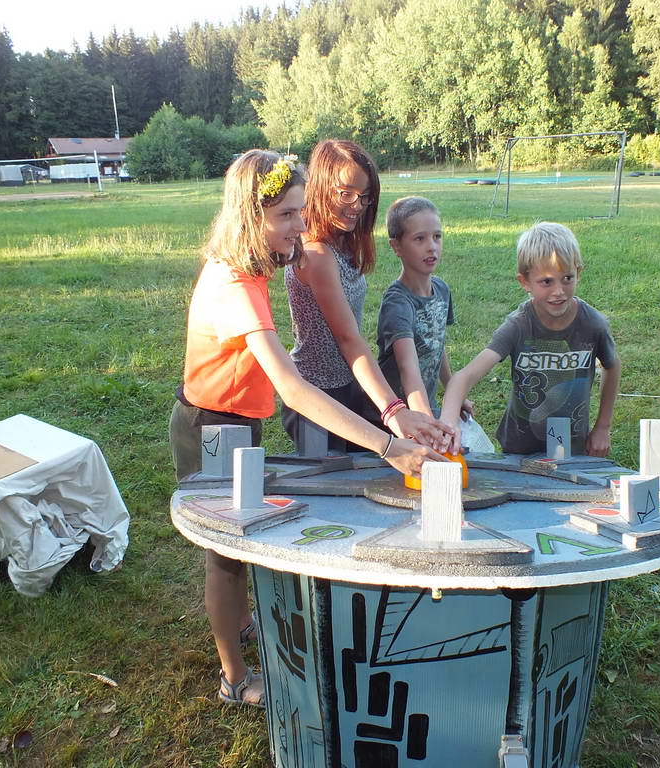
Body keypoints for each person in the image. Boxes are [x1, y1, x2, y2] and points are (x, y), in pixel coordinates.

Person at [170, 150, 445, 708]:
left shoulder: (248, 268)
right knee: (225, 555)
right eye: (287, 215)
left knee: (237, 547)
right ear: (252, 216)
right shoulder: (236, 285)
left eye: (300, 211)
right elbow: (294, 389)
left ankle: (241, 624)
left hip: (236, 422)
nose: (301, 225)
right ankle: (234, 677)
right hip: (213, 428)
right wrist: (388, 445)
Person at [282, 140, 452, 453]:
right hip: (317, 397)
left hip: (351, 387)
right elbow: (348, 338)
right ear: (321, 187)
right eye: (346, 193)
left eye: (364, 196)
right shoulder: (317, 254)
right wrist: (394, 410)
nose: (357, 205)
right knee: (332, 480)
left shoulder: (342, 243)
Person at [440, 222, 621, 457]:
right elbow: (464, 376)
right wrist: (448, 422)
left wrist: (603, 426)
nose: (559, 291)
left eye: (567, 278)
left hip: (573, 446)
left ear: (579, 273)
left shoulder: (593, 324)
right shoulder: (518, 325)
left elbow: (612, 365)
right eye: (547, 281)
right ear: (524, 282)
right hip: (520, 447)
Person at [376, 196, 472, 421]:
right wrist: (427, 424)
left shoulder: (442, 290)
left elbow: (436, 345)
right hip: (396, 416)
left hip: (424, 408)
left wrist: (453, 392)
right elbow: (407, 368)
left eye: (437, 236)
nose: (431, 247)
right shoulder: (397, 304)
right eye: (419, 239)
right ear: (396, 246)